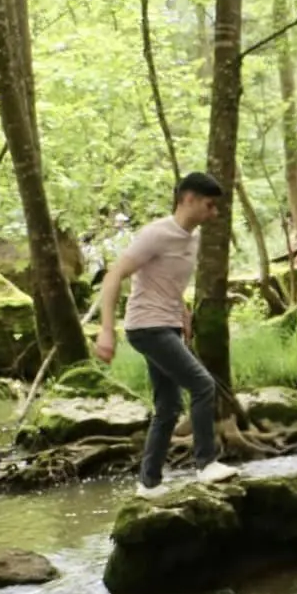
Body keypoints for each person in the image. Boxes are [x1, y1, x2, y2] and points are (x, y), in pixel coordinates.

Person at [92, 172, 239, 498]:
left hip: (168, 324)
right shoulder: (155, 234)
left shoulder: (193, 239)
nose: (214, 213)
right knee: (203, 385)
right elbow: (114, 276)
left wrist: (184, 314)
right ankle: (206, 464)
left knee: (169, 406)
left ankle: (149, 483)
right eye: (209, 205)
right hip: (146, 326)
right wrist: (106, 330)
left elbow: (169, 283)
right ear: (188, 199)